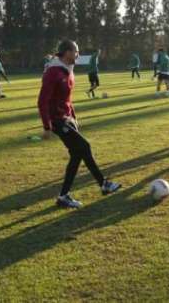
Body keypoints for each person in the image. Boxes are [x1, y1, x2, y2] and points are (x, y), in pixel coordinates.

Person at [39, 40, 122, 209]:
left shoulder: (69, 71)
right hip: (57, 120)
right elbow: (42, 101)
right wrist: (47, 126)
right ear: (67, 52)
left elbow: (67, 100)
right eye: (76, 51)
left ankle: (63, 196)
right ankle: (104, 184)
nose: (78, 54)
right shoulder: (53, 72)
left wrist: (74, 117)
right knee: (84, 146)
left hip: (67, 119)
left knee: (77, 155)